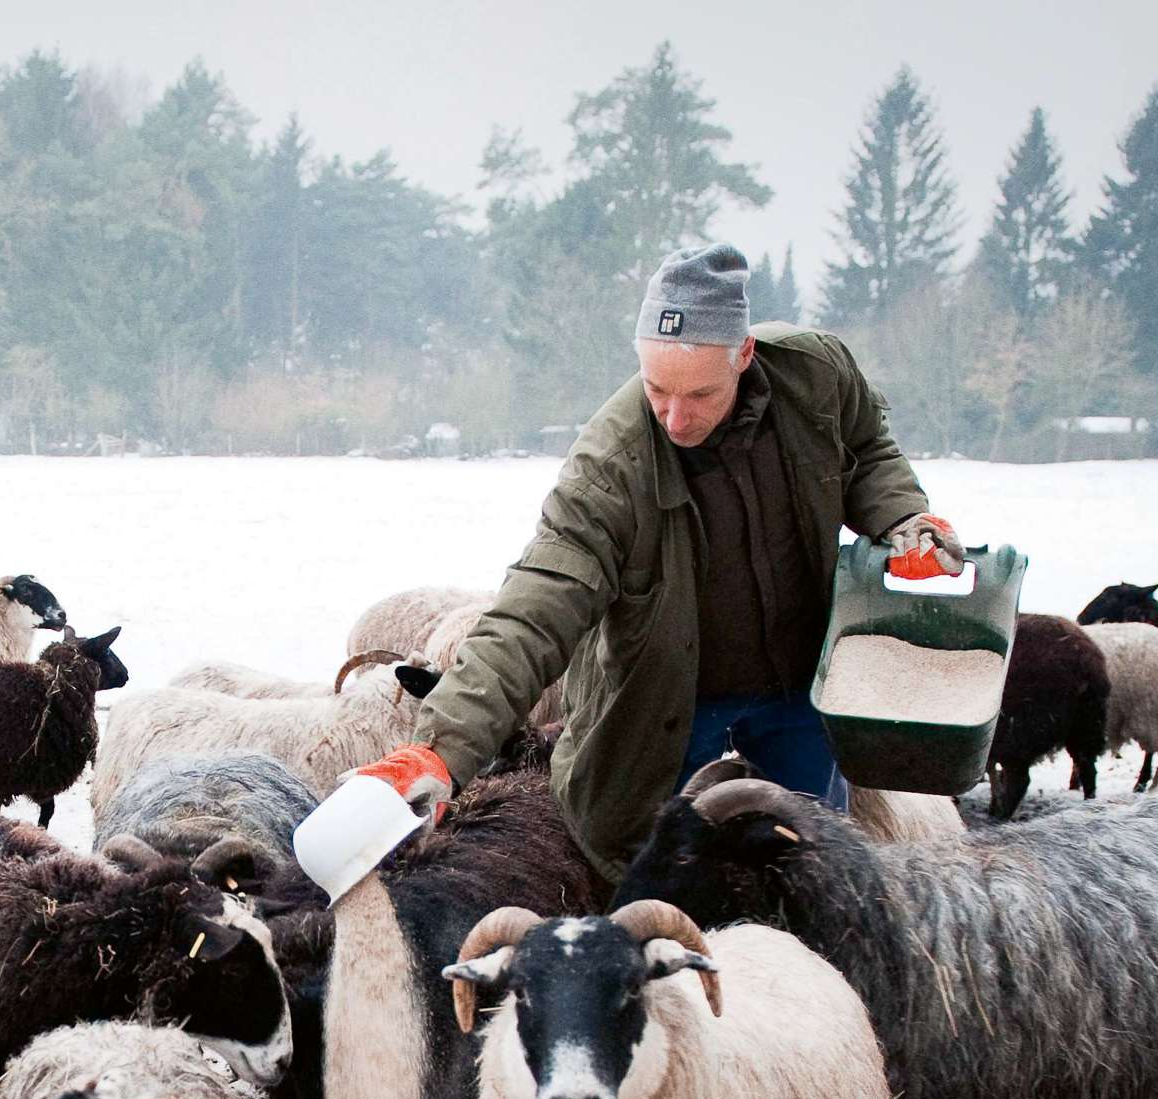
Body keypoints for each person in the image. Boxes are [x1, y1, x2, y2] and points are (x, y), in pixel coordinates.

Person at [357, 243, 962, 880]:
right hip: (669, 694)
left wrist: (903, 520)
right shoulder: (609, 467)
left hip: (797, 679)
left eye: (699, 393)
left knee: (811, 857)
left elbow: (867, 450)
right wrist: (439, 752)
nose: (674, 416)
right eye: (657, 389)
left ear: (745, 355)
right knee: (648, 864)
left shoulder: (815, 374)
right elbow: (532, 612)